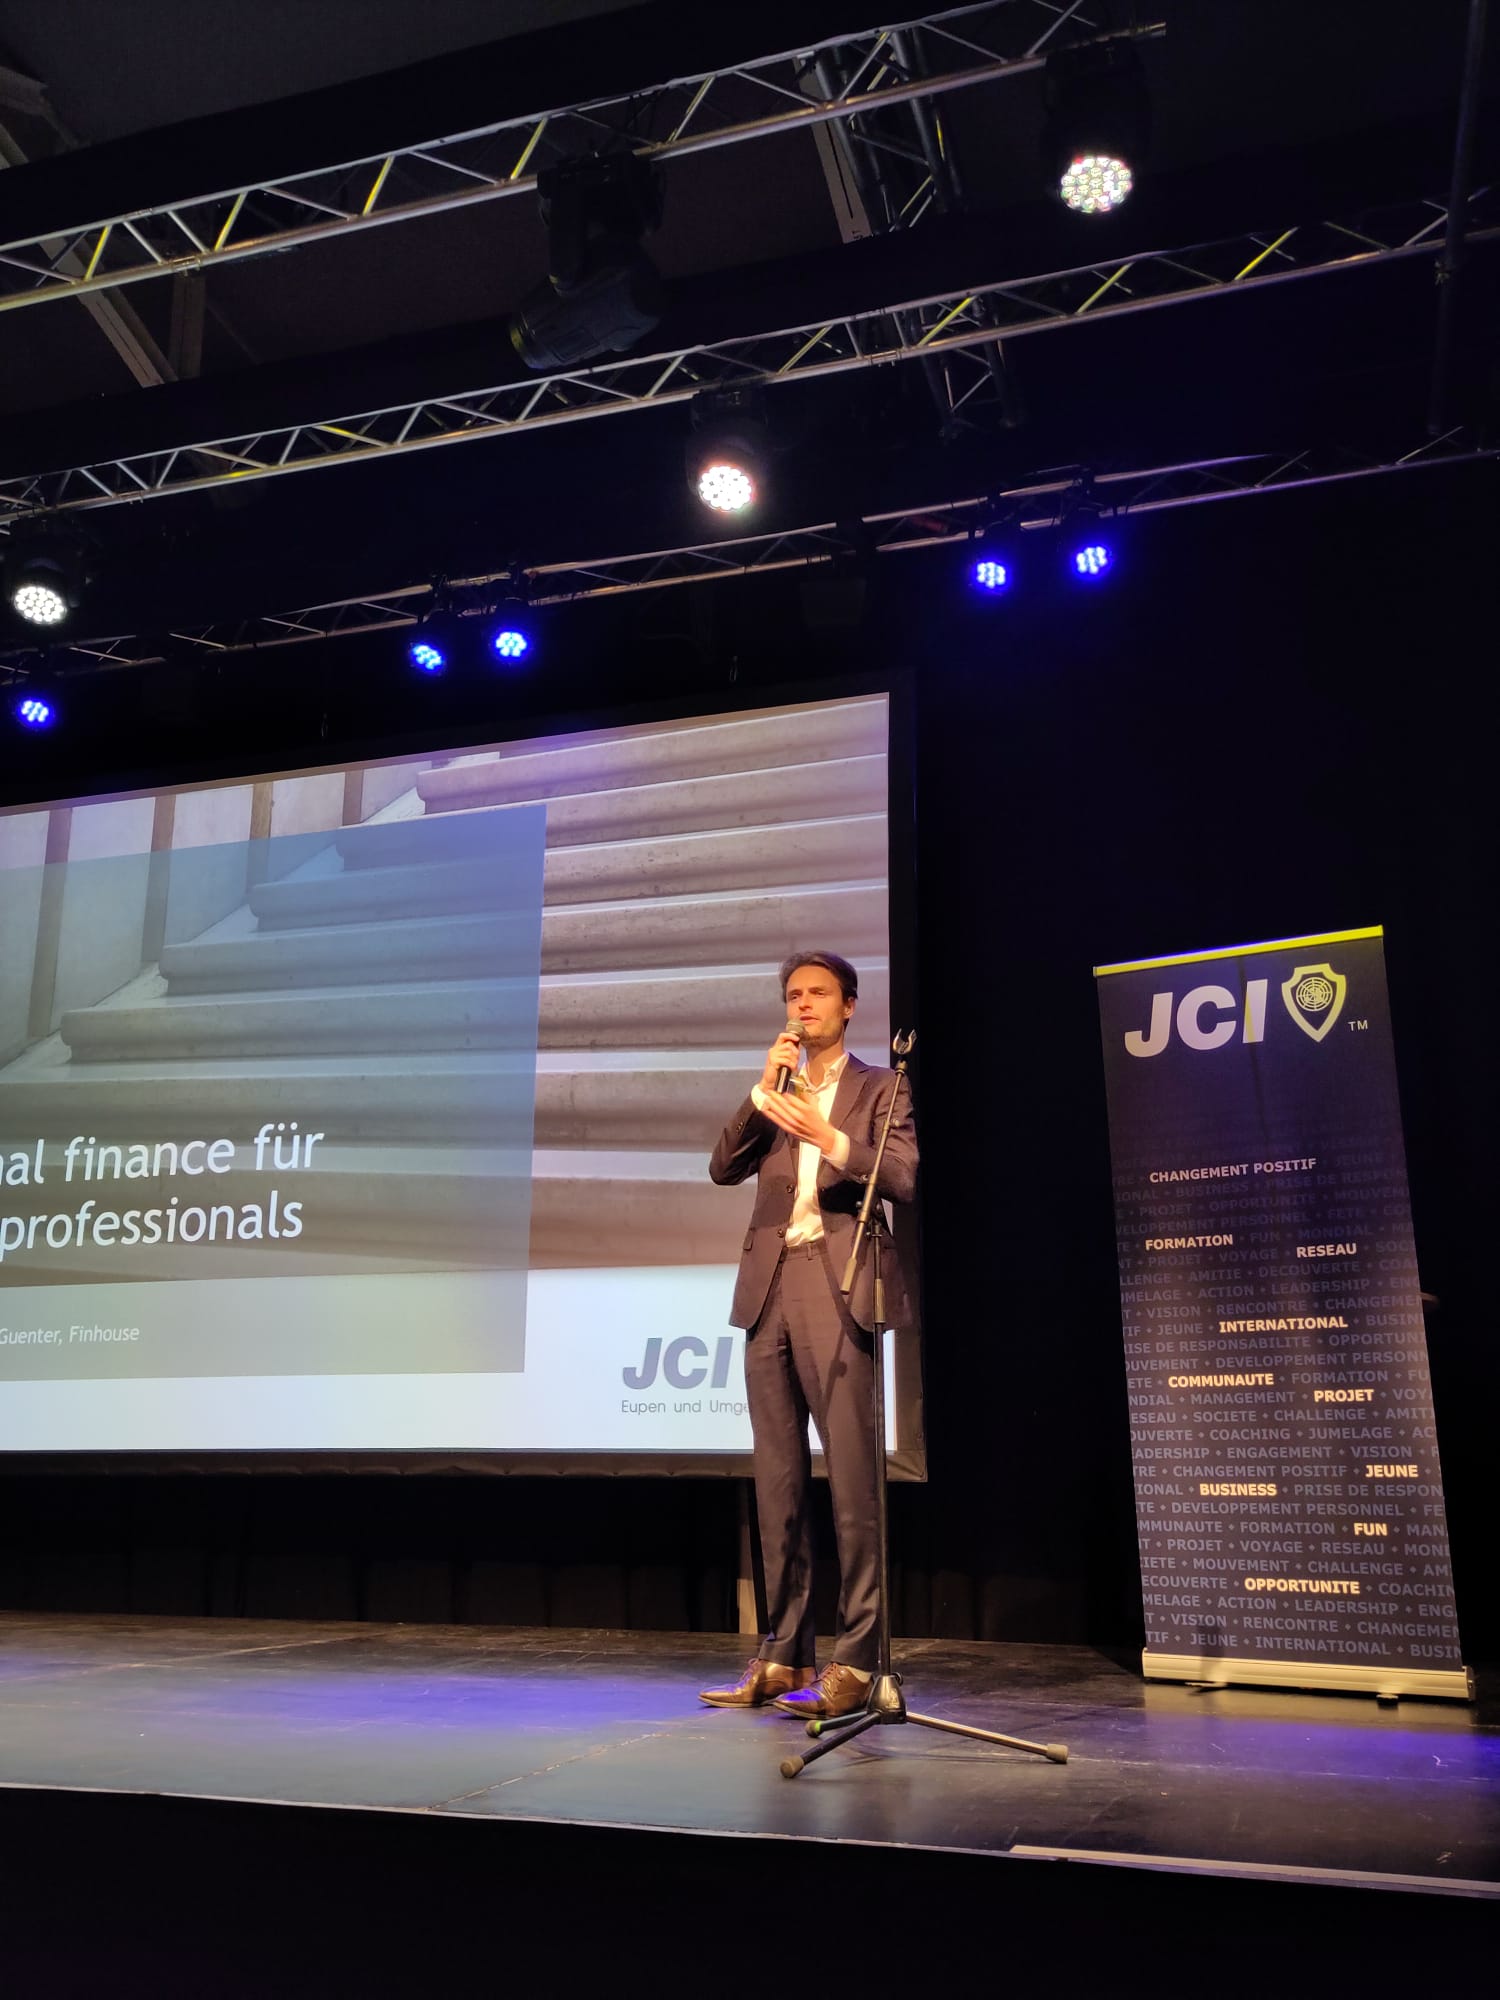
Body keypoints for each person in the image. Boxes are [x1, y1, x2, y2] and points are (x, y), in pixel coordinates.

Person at [699, 950, 918, 1720]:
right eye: (794, 994)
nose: (803, 1004)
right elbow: (722, 1167)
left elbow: (902, 1177)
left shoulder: (880, 1087)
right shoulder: (778, 1088)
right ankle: (783, 1651)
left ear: (848, 1004)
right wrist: (765, 1089)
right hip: (769, 1288)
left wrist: (828, 1136)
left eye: (818, 993)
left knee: (853, 1479)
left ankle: (857, 1660)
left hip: (837, 1280)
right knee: (778, 1484)